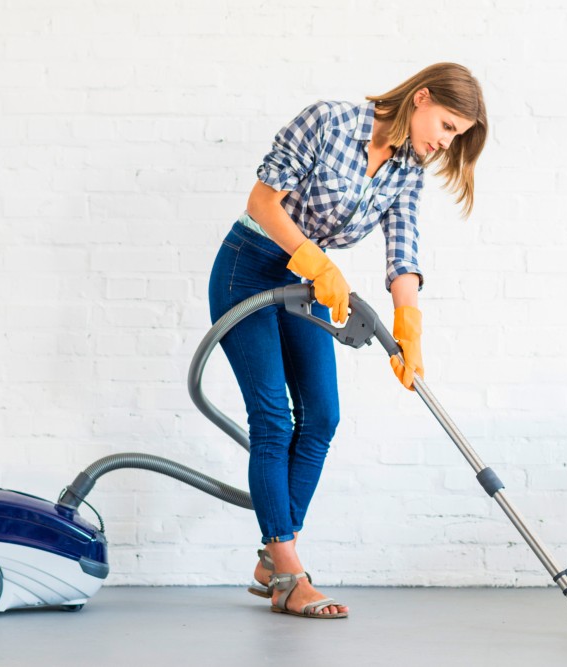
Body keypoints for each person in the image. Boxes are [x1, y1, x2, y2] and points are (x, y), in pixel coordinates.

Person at [207, 62, 488, 618]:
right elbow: (262, 202)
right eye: (447, 126)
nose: (445, 142)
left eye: (456, 136)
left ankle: (273, 556)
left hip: (307, 281)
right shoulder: (328, 122)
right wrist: (314, 260)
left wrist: (409, 325)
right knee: (273, 418)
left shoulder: (408, 169)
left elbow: (402, 248)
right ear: (421, 97)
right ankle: (289, 573)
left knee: (322, 416)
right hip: (249, 267)